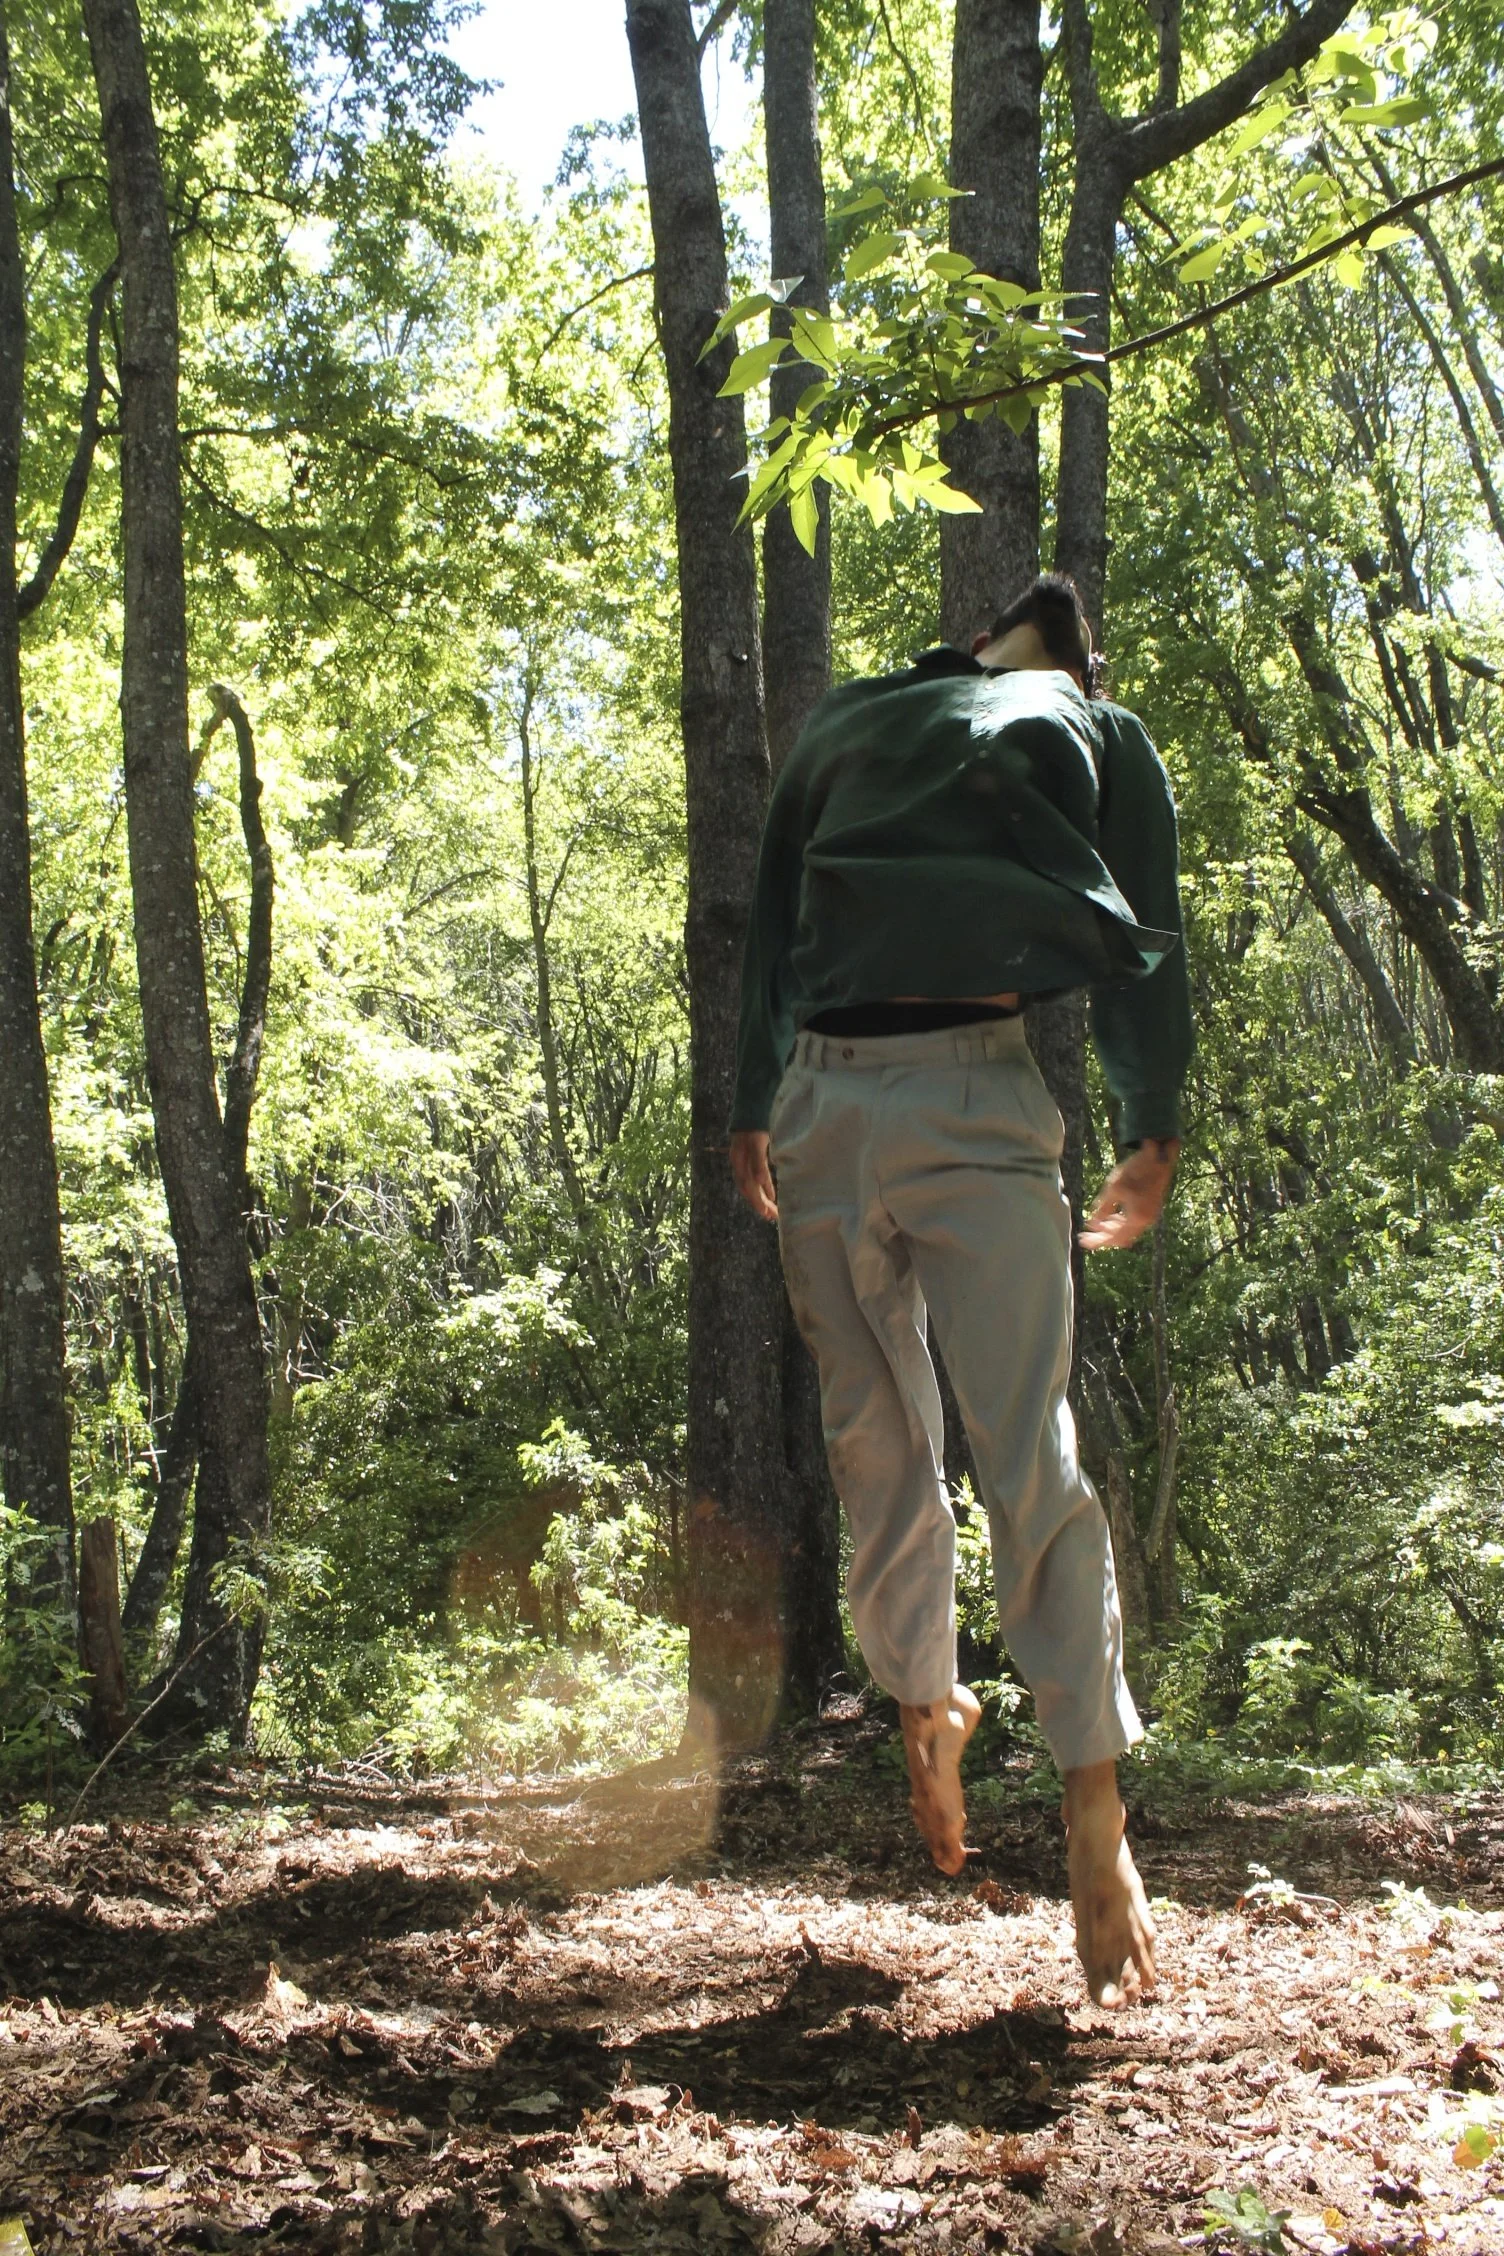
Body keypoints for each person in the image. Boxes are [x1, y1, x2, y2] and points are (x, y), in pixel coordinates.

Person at [728, 573, 1191, 2008]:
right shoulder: (931, 724)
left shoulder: (970, 721)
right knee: (933, 1448)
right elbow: (780, 908)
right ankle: (956, 1721)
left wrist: (1150, 1112)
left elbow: (1136, 926)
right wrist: (1151, 1129)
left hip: (905, 1098)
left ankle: (1060, 1783)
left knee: (958, 1445)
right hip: (881, 1096)